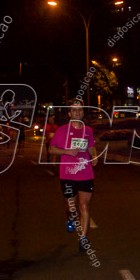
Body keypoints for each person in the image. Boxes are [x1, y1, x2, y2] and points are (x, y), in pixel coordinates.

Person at [48, 101, 98, 251]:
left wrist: (94, 156)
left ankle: (83, 239)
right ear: (69, 114)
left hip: (85, 173)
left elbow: (91, 147)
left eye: (80, 110)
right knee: (71, 208)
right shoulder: (62, 131)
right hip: (68, 175)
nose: (77, 112)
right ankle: (70, 217)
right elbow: (51, 149)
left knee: (84, 206)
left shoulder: (88, 130)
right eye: (74, 110)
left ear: (82, 113)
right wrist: (67, 152)